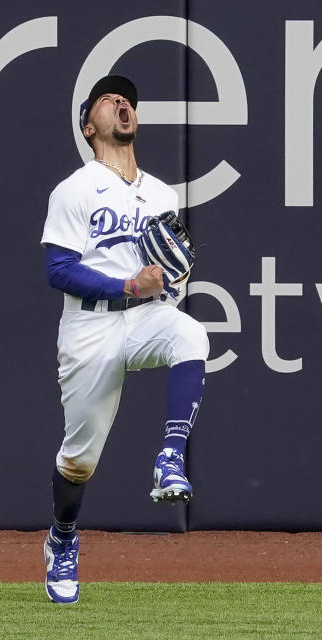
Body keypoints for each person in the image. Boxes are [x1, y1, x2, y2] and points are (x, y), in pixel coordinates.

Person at [39, 75, 209, 604]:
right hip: (90, 326)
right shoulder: (74, 189)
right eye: (108, 101)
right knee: (78, 461)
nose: (121, 104)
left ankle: (171, 456)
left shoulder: (161, 193)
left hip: (143, 317)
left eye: (128, 100)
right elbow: (58, 270)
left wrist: (166, 280)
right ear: (91, 126)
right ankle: (62, 538)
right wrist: (126, 283)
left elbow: (170, 269)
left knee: (191, 334)